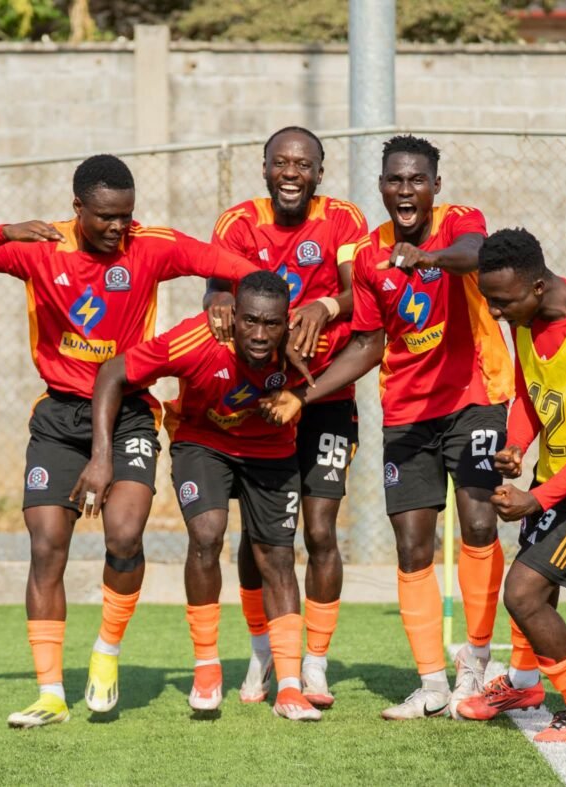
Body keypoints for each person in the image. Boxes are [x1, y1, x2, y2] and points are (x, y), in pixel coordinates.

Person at [0, 154, 261, 728]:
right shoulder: (40, 248)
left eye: (126, 216)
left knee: (125, 536)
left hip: (129, 412)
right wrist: (4, 231)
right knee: (46, 546)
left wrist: (221, 292)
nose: (118, 227)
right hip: (59, 418)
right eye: (106, 216)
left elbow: (242, 269)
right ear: (77, 207)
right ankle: (50, 694)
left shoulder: (150, 246)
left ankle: (106, 652)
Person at [260, 134, 514, 720]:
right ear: (381, 186)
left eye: (417, 180)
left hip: (474, 396)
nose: (406, 190)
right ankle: (431, 683)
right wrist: (303, 394)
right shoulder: (370, 254)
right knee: (411, 545)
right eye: (395, 180)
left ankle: (475, 663)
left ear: (435, 186)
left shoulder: (458, 223)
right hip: (406, 412)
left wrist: (428, 259)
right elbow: (369, 343)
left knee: (479, 523)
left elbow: (476, 252)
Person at [74, 271, 321, 721]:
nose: (259, 335)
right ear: (233, 315)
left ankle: (289, 686)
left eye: (271, 324)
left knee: (278, 557)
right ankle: (207, 667)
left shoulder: (302, 341)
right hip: (202, 444)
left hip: (272, 450)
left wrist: (302, 392)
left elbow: (365, 349)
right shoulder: (196, 339)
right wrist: (102, 456)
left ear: (287, 323)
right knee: (207, 535)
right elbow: (112, 371)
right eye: (250, 321)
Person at [451, 228, 566, 741]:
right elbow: (530, 396)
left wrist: (536, 499)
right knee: (537, 586)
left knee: (524, 592)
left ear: (537, 287)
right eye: (490, 301)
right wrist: (516, 445)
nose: (495, 313)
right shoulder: (525, 318)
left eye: (503, 302)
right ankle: (524, 683)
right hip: (555, 473)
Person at [202, 127, 368, 708]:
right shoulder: (238, 224)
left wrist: (325, 305)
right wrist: (219, 300)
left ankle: (314, 663)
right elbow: (214, 294)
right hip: (262, 400)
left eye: (302, 164)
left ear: (320, 171)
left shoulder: (342, 219)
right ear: (265, 168)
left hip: (324, 396)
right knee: (261, 536)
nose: (291, 173)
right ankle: (262, 652)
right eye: (280, 163)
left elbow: (362, 293)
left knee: (320, 530)